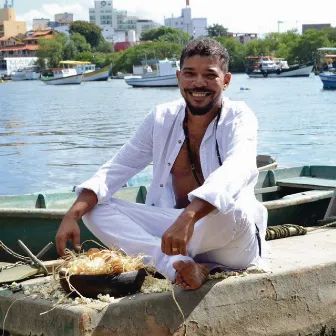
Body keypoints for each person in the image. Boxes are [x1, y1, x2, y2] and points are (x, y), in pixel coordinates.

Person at [56, 38, 268, 291]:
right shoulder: (161, 118)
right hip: (172, 233)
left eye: (209, 75)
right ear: (179, 77)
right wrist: (73, 214)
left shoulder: (239, 116)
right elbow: (118, 167)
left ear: (226, 81)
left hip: (229, 240)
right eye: (190, 74)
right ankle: (179, 264)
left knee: (232, 207)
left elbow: (239, 167)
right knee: (94, 209)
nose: (198, 83)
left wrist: (189, 216)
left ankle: (165, 260)